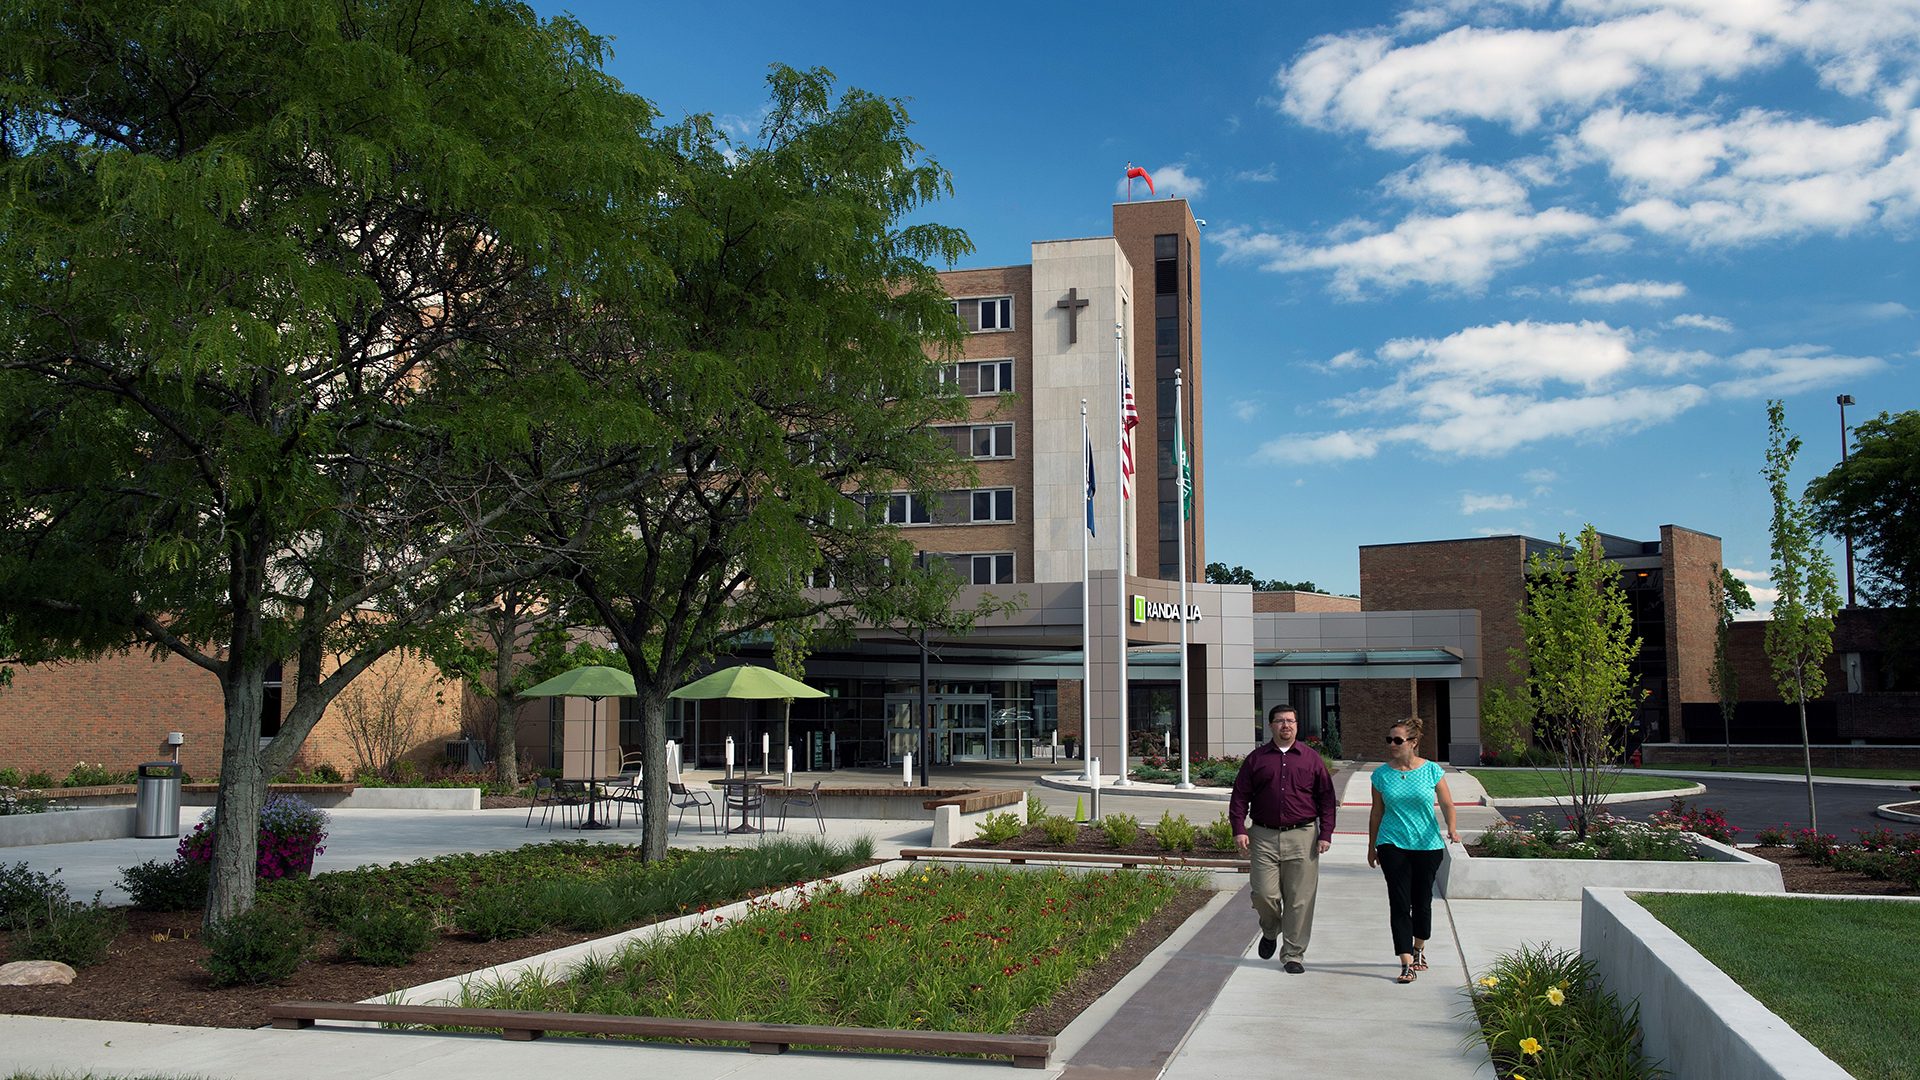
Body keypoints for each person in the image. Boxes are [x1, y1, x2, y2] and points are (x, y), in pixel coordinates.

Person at [1229, 703, 1338, 973]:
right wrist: (1239, 828)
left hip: (1303, 836)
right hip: (1263, 835)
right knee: (1263, 893)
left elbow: (1326, 799)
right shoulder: (1256, 759)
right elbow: (1240, 796)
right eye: (1280, 721)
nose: (1286, 725)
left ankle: (1293, 955)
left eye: (1290, 720)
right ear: (1271, 726)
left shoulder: (1311, 759)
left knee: (1300, 899)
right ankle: (1270, 929)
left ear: (1297, 726)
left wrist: (1325, 833)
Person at [1366, 718, 1461, 984]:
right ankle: (1406, 961)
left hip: (1427, 845)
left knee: (1421, 903)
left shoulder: (1431, 770)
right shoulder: (1381, 775)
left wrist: (1452, 828)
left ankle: (1419, 947)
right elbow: (1377, 812)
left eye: (1398, 740)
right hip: (1392, 843)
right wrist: (1372, 846)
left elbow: (1447, 803)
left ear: (1413, 743)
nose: (1392, 745)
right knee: (1398, 903)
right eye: (1389, 740)